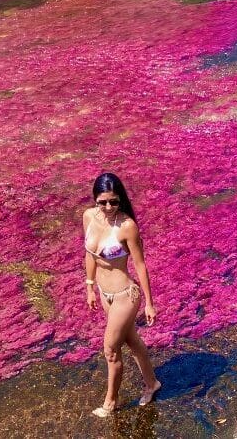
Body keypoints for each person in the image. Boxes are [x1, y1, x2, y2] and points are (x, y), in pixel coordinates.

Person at [83, 172, 161, 417]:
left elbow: (140, 265)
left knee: (110, 349)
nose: (108, 207)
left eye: (114, 201)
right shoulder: (88, 217)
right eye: (102, 201)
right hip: (105, 294)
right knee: (132, 341)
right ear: (95, 199)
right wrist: (90, 286)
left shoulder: (127, 226)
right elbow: (89, 254)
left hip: (126, 295)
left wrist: (149, 303)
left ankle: (110, 402)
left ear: (121, 200)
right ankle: (152, 383)